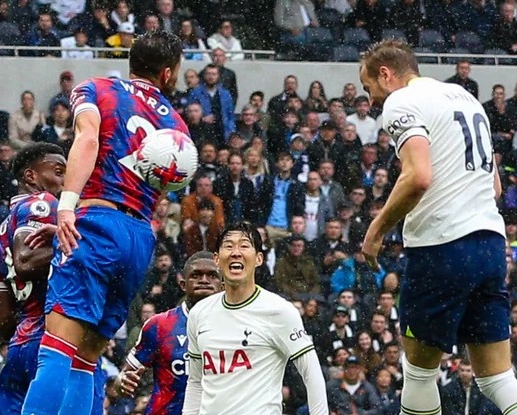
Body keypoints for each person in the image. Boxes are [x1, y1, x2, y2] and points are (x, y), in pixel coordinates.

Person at [359, 39, 517, 415]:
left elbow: (418, 177)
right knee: (497, 378)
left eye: (369, 88)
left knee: (420, 374)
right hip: (490, 245)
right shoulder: (464, 97)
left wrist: (375, 231)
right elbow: (494, 186)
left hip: (441, 246)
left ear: (386, 74)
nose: (373, 99)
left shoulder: (400, 101)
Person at [21, 31, 188, 415]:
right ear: (167, 73)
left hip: (95, 223)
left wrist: (67, 208)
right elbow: (163, 185)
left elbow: (88, 141)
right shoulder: (177, 123)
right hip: (139, 237)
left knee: (57, 350)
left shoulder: (97, 89)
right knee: (87, 358)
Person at [0, 143, 104, 415]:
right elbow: (26, 260)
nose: (67, 180)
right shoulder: (43, 203)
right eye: (60, 172)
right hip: (57, 341)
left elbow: (3, 322)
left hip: (20, 347)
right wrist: (83, 246)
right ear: (31, 177)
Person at [182, 221, 328, 415]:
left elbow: (311, 373)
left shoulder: (279, 311)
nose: (235, 252)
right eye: (228, 246)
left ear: (259, 259)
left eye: (244, 245)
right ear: (217, 259)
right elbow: (195, 381)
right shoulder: (199, 313)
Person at [116, 251, 223, 414]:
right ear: (183, 284)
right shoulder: (159, 325)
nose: (204, 280)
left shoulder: (239, 326)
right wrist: (123, 382)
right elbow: (124, 377)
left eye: (212, 275)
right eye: (196, 275)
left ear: (223, 285)